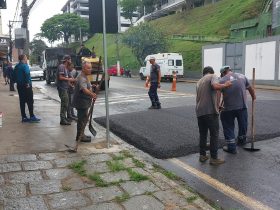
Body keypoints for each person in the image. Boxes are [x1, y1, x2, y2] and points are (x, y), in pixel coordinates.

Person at [196, 66, 232, 165]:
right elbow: (215, 86)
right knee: (214, 134)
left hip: (200, 111)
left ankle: (202, 155)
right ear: (211, 72)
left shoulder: (199, 82)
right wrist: (226, 84)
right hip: (210, 111)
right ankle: (214, 158)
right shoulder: (213, 76)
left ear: (204, 73)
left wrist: (217, 105)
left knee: (203, 134)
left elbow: (205, 96)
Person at [219, 66, 256, 154]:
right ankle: (242, 140)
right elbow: (250, 89)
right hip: (242, 107)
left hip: (228, 108)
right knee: (243, 124)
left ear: (223, 73)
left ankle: (231, 147)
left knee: (228, 126)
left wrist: (218, 106)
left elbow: (218, 94)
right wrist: (254, 97)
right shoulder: (242, 76)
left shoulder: (222, 80)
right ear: (230, 71)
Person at [72, 61, 97, 143]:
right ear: (83, 68)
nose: (90, 69)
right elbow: (84, 89)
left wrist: (92, 86)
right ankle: (80, 136)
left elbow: (87, 86)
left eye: (91, 68)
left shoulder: (85, 76)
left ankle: (81, 134)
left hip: (84, 102)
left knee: (84, 118)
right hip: (81, 102)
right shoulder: (81, 77)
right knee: (81, 119)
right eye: (88, 68)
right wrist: (92, 94)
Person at [13, 54, 41, 122]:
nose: (26, 59)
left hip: (19, 86)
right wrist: (28, 83)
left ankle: (24, 117)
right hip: (26, 86)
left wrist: (17, 81)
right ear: (23, 58)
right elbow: (27, 74)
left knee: (22, 101)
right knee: (30, 101)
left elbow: (13, 75)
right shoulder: (25, 66)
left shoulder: (16, 66)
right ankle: (32, 116)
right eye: (25, 57)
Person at [57, 55, 76, 125]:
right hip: (62, 88)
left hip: (65, 88)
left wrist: (71, 84)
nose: (71, 61)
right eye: (70, 60)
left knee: (66, 103)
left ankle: (65, 118)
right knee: (64, 104)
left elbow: (67, 79)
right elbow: (61, 77)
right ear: (67, 60)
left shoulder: (65, 68)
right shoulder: (61, 66)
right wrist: (69, 79)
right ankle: (62, 119)